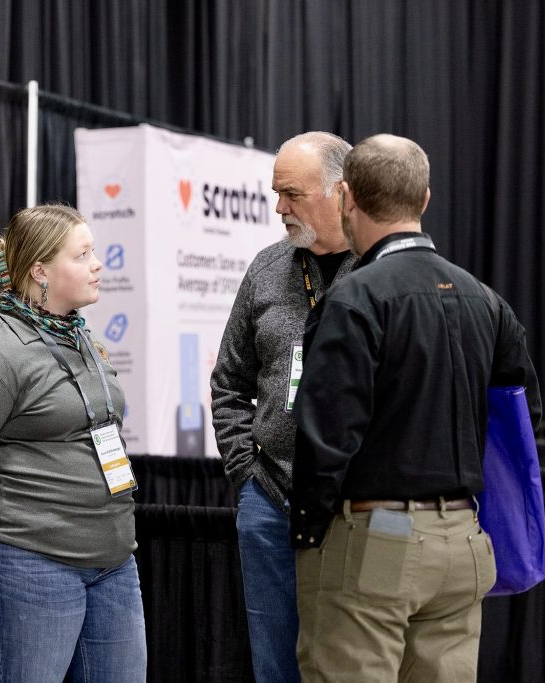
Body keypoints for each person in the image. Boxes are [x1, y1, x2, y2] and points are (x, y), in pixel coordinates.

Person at [289, 134, 542, 681]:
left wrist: (309, 534)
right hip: (466, 543)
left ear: (346, 198)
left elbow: (325, 433)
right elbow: (523, 417)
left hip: (376, 545)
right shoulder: (486, 300)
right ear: (424, 200)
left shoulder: (354, 298)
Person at [0, 204, 147, 683]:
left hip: (111, 563)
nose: (97, 264)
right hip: (25, 563)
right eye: (82, 255)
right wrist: (15, 525)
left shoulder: (80, 339)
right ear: (41, 271)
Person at [210, 131, 355, 683]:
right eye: (275, 193)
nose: (278, 208)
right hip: (268, 502)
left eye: (291, 193)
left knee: (348, 662)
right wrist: (246, 472)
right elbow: (228, 381)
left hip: (352, 507)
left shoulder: (378, 272)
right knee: (275, 665)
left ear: (340, 192)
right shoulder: (268, 268)